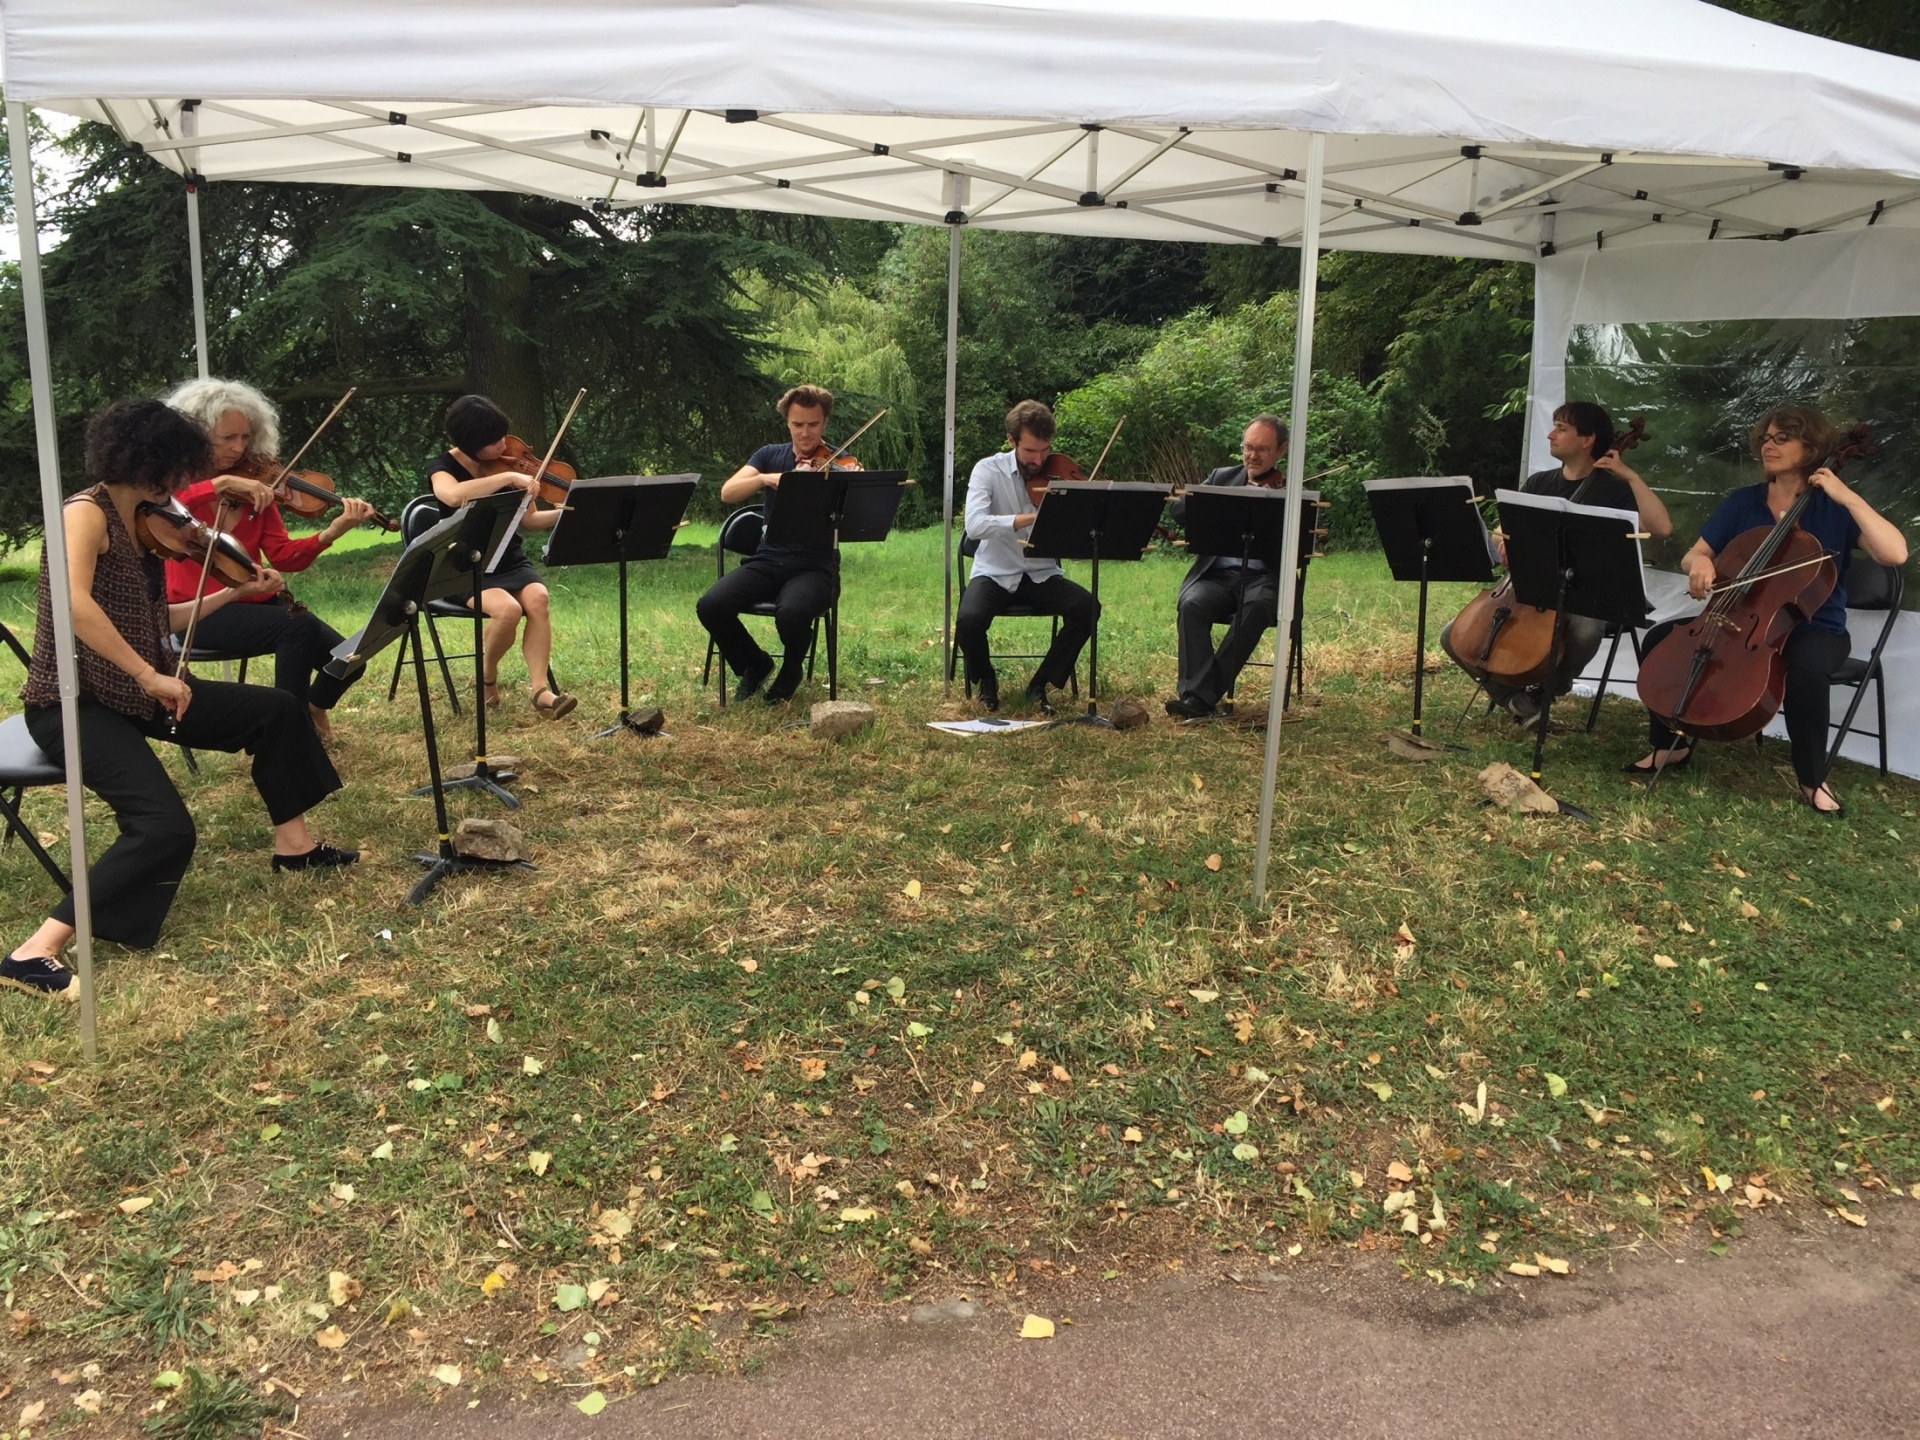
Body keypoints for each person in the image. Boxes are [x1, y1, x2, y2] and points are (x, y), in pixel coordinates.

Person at [1, 400, 357, 1002]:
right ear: (148, 462)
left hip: (136, 692)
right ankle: (33, 951)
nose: (178, 491)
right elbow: (74, 606)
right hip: (75, 701)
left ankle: (294, 847)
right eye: (173, 472)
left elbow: (157, 615)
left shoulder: (146, 521)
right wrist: (148, 675)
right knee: (164, 827)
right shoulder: (83, 514)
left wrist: (234, 592)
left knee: (275, 710)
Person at [1628, 405, 1908, 815]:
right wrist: (1701, 564)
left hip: (1815, 625)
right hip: (1737, 620)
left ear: (1811, 447)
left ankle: (1812, 778)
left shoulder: (1835, 509)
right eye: (1766, 437)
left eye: (1782, 438)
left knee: (1808, 669)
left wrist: (1846, 496)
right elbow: (1695, 554)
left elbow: (1895, 553)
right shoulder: (1744, 502)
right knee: (1659, 639)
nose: (1768, 445)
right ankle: (1671, 746)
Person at [162, 378, 378, 745]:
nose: (238, 448)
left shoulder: (256, 490)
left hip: (257, 601)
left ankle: (309, 707)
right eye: (227, 438)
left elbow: (284, 557)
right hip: (199, 610)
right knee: (295, 627)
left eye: (246, 438)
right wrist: (222, 484)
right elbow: (171, 504)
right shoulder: (171, 485)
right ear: (196, 436)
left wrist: (333, 531)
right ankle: (291, 738)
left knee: (350, 658)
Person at [1441, 401, 1672, 721]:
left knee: (1586, 630)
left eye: (1561, 429)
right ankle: (1513, 698)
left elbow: (1661, 528)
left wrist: (1631, 477)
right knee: (1451, 636)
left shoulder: (1614, 489)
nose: (1550, 435)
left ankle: (1551, 688)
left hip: (1590, 594)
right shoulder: (1540, 483)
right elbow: (1502, 529)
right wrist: (1504, 541)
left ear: (1587, 439)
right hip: (1533, 589)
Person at [696, 384, 851, 704]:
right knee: (711, 605)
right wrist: (767, 479)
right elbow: (728, 492)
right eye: (798, 424)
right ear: (787, 423)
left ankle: (791, 669)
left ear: (824, 422)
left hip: (815, 565)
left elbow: (858, 512)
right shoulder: (769, 456)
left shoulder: (840, 462)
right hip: (768, 559)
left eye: (813, 425)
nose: (806, 434)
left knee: (792, 613)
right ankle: (755, 663)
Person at [427, 395, 576, 719]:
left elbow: (530, 521)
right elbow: (451, 495)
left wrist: (568, 512)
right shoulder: (443, 467)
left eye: (501, 437)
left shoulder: (510, 462)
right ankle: (486, 676)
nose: (502, 447)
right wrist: (508, 478)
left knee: (538, 598)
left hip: (507, 556)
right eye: (492, 443)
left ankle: (540, 691)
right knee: (507, 610)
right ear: (470, 445)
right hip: (464, 562)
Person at [956, 400, 1099, 712]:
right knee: (968, 620)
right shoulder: (987, 470)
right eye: (1030, 452)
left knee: (1087, 609)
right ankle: (986, 678)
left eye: (1045, 450)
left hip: (1041, 573)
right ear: (1011, 441)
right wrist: (1028, 518)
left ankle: (1041, 684)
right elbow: (975, 525)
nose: (1039, 460)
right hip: (994, 571)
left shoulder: (1058, 473)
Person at [1164, 415, 1293, 720]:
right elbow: (1179, 512)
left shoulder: (1288, 489)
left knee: (1257, 608)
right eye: (1248, 447)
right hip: (1218, 575)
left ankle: (1199, 696)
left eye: (1262, 449)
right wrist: (1204, 499)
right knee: (1192, 603)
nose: (1252, 456)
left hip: (1264, 578)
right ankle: (1200, 697)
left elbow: (1310, 542)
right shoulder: (1222, 477)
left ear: (1281, 451)